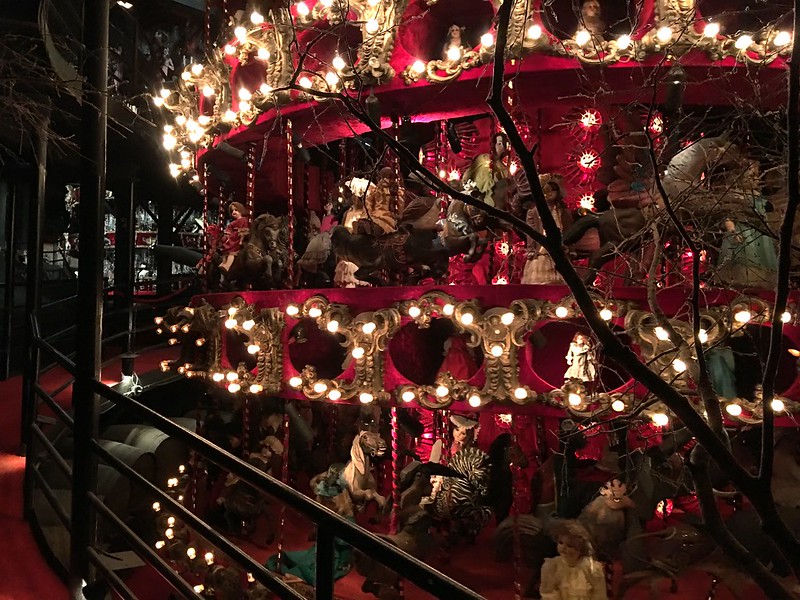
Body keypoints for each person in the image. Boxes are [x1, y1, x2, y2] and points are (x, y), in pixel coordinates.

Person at [540, 520, 607, 600]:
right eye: (560, 543)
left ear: (580, 548)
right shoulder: (551, 566)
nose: (563, 548)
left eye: (569, 545)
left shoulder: (592, 569)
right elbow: (548, 594)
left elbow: (599, 596)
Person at [522, 176, 572, 284]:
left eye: (552, 190)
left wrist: (569, 247)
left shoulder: (562, 211)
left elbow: (569, 230)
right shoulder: (533, 212)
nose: (549, 193)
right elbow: (531, 231)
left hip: (560, 246)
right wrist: (530, 249)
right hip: (542, 246)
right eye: (546, 190)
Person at [218, 202, 250, 273]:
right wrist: (227, 234)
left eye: (236, 210)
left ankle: (227, 265)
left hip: (237, 239)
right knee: (226, 251)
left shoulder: (243, 220)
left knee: (232, 252)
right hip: (233, 238)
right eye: (232, 211)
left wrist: (241, 238)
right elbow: (229, 229)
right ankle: (224, 263)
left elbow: (244, 230)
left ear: (241, 210)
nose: (234, 212)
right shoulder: (234, 222)